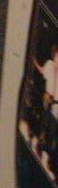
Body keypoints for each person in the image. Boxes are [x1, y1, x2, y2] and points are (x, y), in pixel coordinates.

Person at [34, 44, 58, 174]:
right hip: (48, 99)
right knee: (45, 124)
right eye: (56, 55)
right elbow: (43, 71)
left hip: (56, 106)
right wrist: (34, 62)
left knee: (52, 131)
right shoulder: (49, 65)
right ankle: (40, 147)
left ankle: (47, 156)